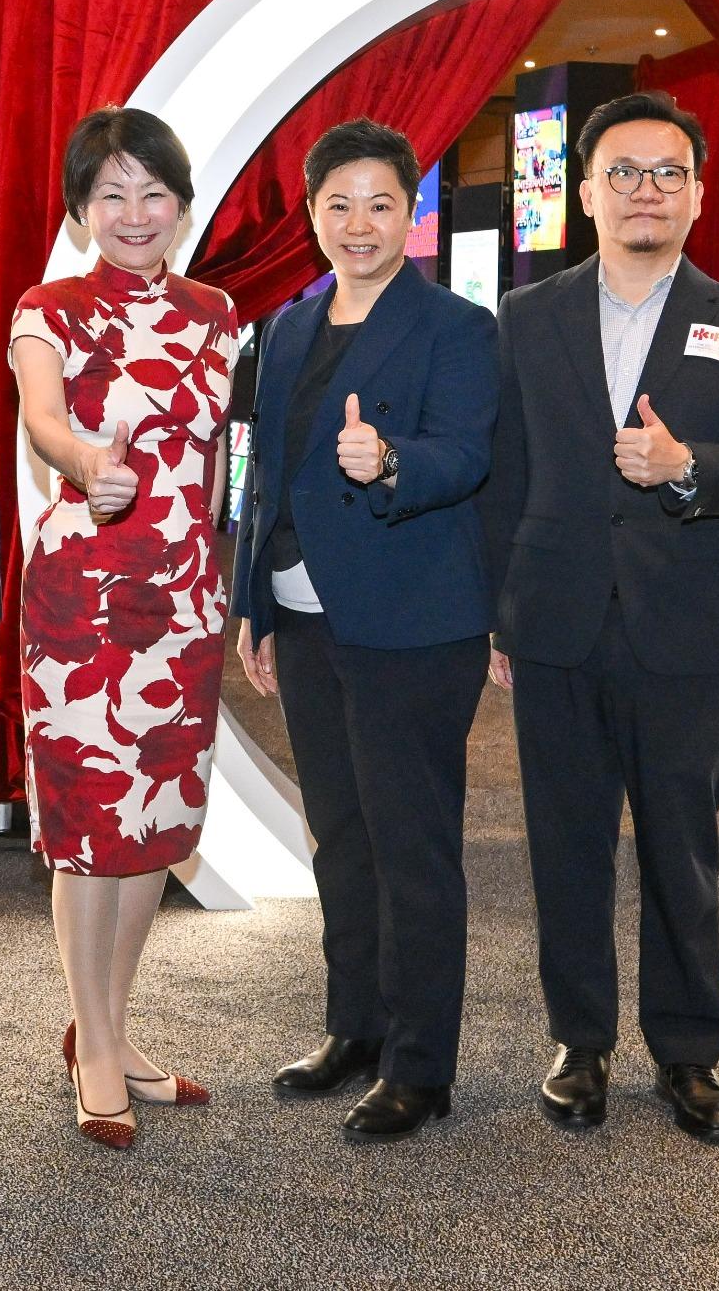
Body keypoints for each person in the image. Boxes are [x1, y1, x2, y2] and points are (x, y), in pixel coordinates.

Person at [481, 88, 719, 1145]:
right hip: (554, 621)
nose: (643, 190)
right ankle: (580, 1040)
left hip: (686, 634)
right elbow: (502, 473)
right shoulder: (526, 316)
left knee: (679, 846)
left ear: (698, 194)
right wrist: (498, 615)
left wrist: (684, 465)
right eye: (621, 172)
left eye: (665, 173)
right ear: (584, 193)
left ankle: (689, 1053)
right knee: (564, 842)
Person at [230, 118, 498, 1140]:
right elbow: (263, 478)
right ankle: (357, 1026)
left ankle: (422, 1065)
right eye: (337, 204)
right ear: (310, 217)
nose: (358, 223)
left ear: (410, 214)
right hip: (302, 616)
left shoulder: (457, 329)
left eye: (380, 203)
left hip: (412, 620)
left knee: (410, 842)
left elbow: (464, 455)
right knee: (338, 835)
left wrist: (387, 462)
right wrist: (254, 601)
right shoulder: (289, 328)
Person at [10, 108, 238, 1150]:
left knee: (154, 820)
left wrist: (222, 582)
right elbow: (44, 417)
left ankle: (110, 1024)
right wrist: (82, 464)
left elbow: (220, 464)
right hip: (82, 600)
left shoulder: (217, 313)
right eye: (111, 194)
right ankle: (96, 1046)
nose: (133, 213)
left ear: (182, 207)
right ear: (79, 210)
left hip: (183, 600)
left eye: (153, 193)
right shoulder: (46, 309)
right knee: (87, 822)